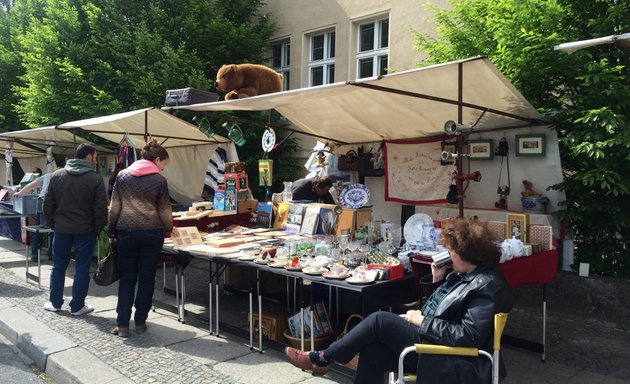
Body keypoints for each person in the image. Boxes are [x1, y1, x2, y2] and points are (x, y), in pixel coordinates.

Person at [285, 217, 513, 384]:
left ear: (467, 252)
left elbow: (468, 336)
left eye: (450, 250)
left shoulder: (487, 285)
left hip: (458, 360)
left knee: (380, 321)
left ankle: (323, 358)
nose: (447, 254)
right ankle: (324, 359)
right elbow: (440, 311)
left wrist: (420, 320)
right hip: (437, 346)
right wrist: (436, 281)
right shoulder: (463, 275)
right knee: (373, 351)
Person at [108, 140, 172, 338]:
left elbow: (115, 207)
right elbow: (164, 211)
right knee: (147, 278)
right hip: (152, 233)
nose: (163, 168)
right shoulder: (159, 181)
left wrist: (111, 230)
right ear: (157, 159)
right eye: (164, 164)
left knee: (127, 279)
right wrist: (169, 228)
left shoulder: (123, 176)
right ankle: (141, 322)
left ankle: (122, 324)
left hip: (126, 232)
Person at [43, 144, 108, 316]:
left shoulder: (57, 175)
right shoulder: (95, 178)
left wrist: (54, 225)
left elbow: (47, 205)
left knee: (58, 266)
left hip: (62, 229)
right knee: (82, 267)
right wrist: (96, 229)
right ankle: (77, 306)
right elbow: (100, 209)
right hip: (85, 230)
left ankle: (55, 302)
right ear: (88, 157)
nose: (96, 159)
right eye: (95, 156)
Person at [15, 168, 53, 261]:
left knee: (38, 229)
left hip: (42, 202)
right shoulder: (64, 176)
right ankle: (52, 254)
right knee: (53, 230)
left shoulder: (47, 176)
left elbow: (30, 185)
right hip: (53, 203)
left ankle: (35, 254)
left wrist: (19, 193)